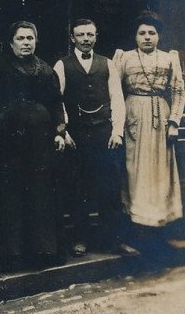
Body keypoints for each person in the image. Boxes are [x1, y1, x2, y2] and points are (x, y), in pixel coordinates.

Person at [0, 21, 66, 271]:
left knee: (40, 195)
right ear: (11, 43)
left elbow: (56, 104)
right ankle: (14, 255)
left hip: (40, 142)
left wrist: (59, 132)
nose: (25, 43)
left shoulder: (45, 70)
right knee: (12, 195)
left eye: (30, 38)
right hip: (9, 143)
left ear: (36, 41)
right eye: (20, 39)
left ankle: (42, 252)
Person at [53, 18, 129, 256]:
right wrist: (63, 131)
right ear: (72, 38)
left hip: (104, 135)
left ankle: (113, 240)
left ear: (96, 36)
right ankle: (80, 239)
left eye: (90, 34)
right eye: (80, 35)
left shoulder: (107, 64)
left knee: (110, 188)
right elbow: (57, 101)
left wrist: (117, 131)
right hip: (76, 137)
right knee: (78, 188)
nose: (86, 39)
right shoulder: (62, 65)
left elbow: (117, 99)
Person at [113, 11, 185, 256]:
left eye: (151, 33)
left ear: (159, 36)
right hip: (134, 118)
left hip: (162, 120)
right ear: (135, 36)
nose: (147, 37)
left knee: (160, 174)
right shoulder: (124, 58)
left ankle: (158, 234)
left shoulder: (169, 58)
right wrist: (119, 125)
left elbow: (178, 91)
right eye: (142, 33)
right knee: (135, 173)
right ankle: (136, 234)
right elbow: (115, 92)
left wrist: (174, 122)